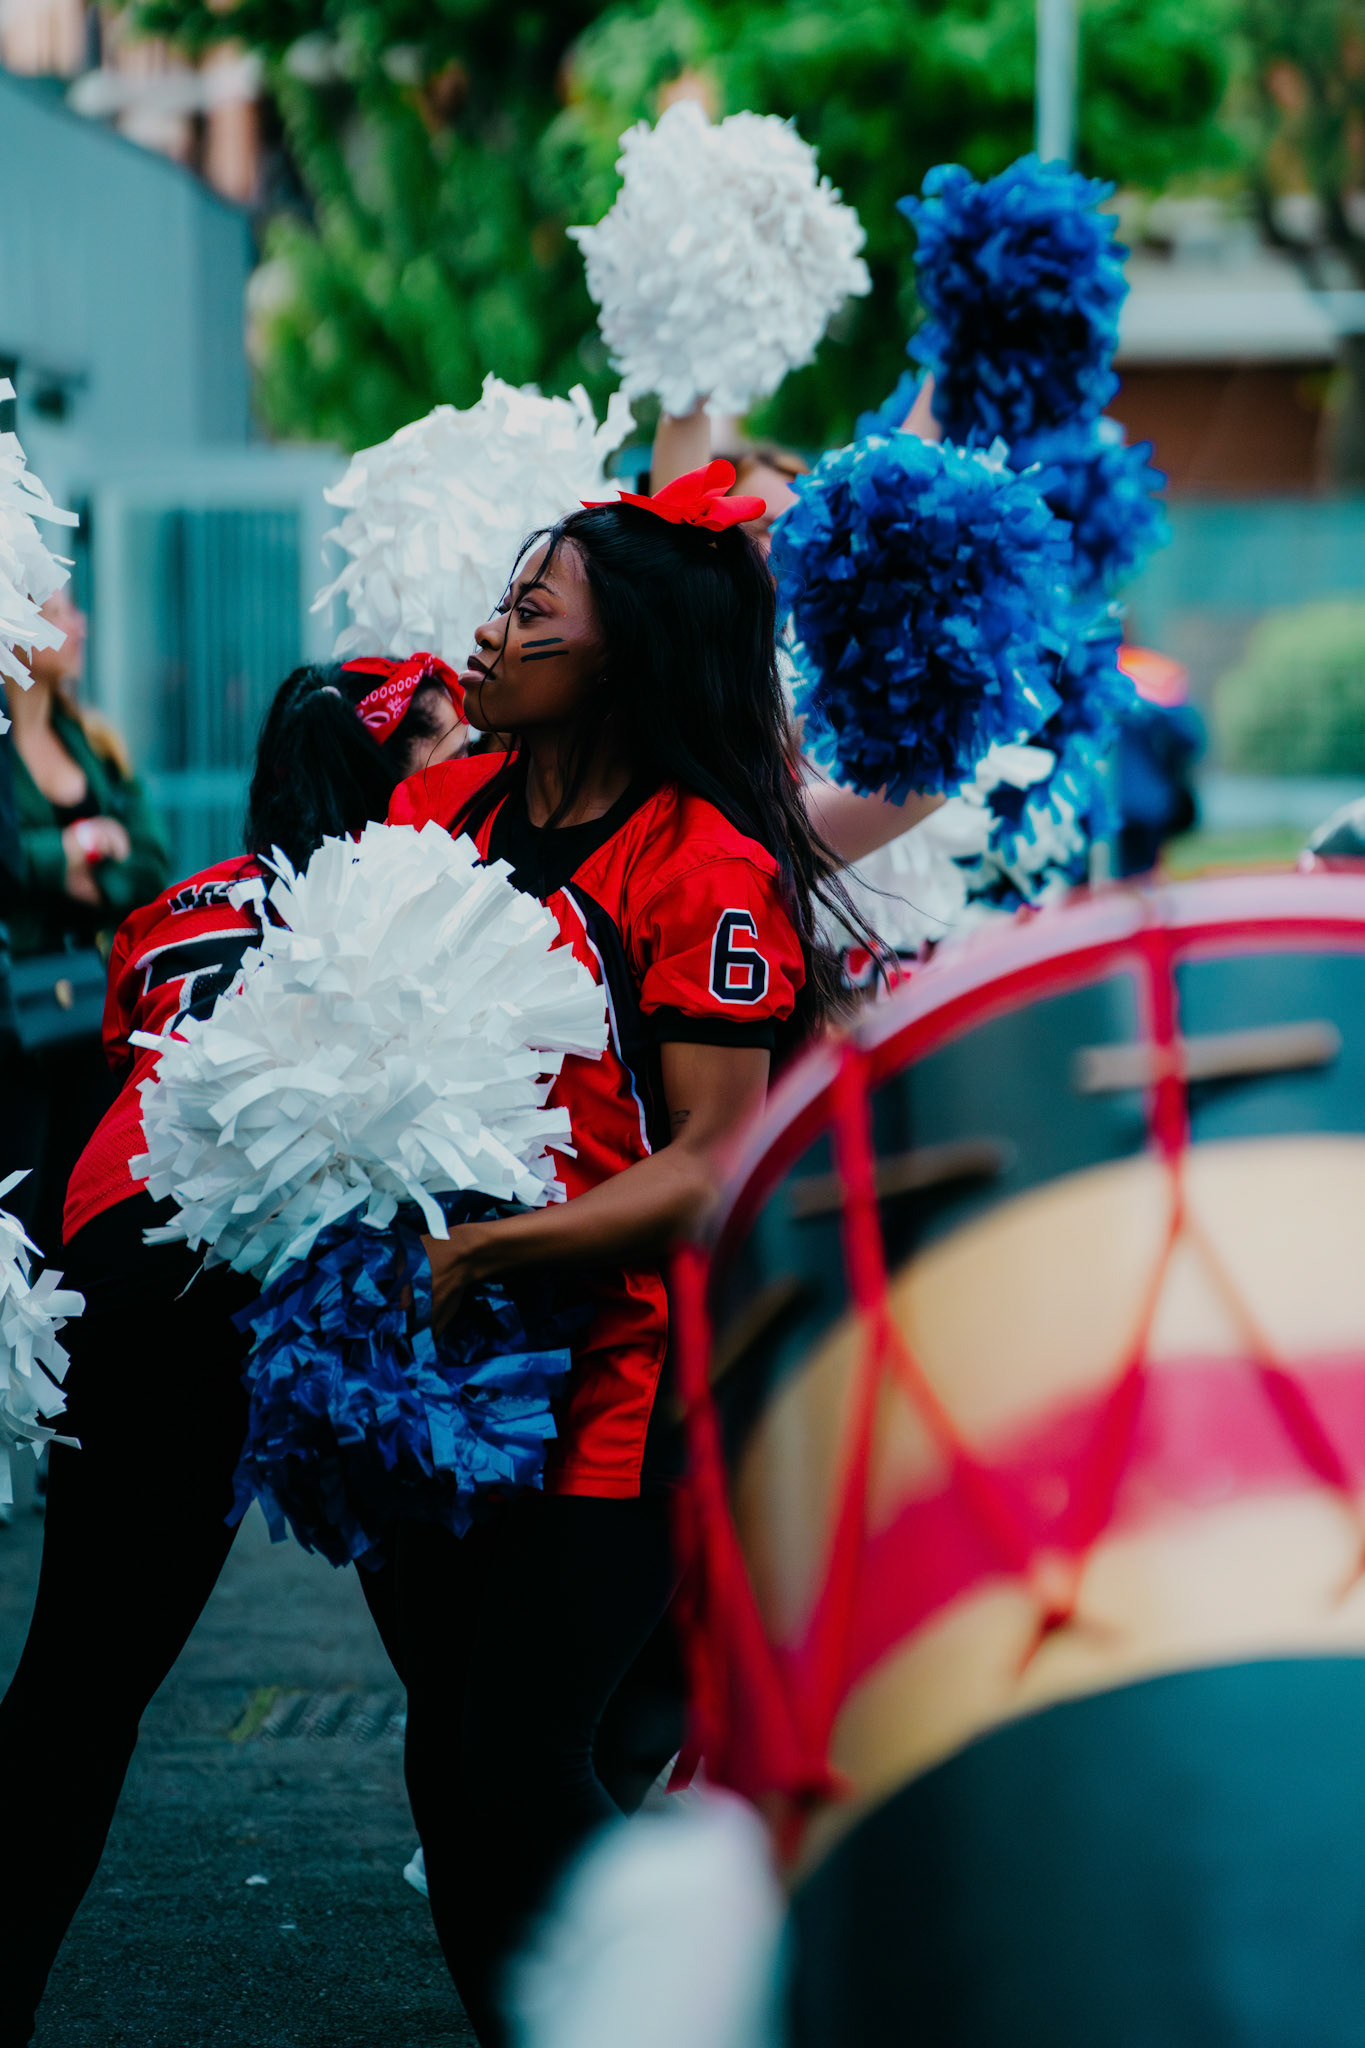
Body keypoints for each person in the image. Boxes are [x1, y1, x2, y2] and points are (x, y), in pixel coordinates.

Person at [384, 463, 886, 2046]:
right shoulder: (432, 813)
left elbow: (714, 1159)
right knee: (453, 1762)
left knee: (515, 1763)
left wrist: (491, 1252)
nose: (490, 630)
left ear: (626, 657)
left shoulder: (702, 866)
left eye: (533, 608)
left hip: (625, 1383)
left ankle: (739, 2007)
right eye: (503, 597)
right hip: (432, 1382)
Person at [0, 653, 466, 2048]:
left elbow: (125, 1061)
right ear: (401, 774)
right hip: (337, 1283)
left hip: (131, 1269)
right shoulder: (438, 904)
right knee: (477, 1706)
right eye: (450, 737)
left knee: (77, 1688)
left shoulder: (171, 908)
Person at [0, 588, 169, 1255]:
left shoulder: (95, 741)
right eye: (57, 611)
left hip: (92, 1007)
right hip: (14, 1022)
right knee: (19, 1204)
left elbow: (150, 865)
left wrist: (73, 863)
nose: (80, 624)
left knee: (82, 1207)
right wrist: (74, 847)